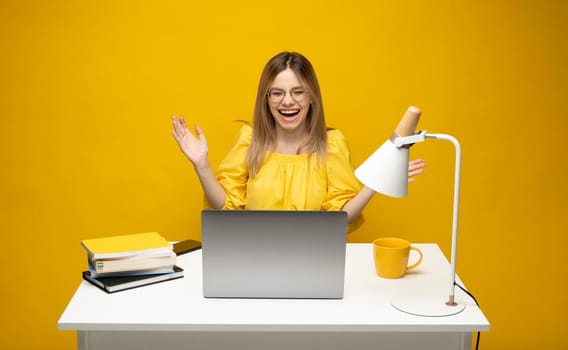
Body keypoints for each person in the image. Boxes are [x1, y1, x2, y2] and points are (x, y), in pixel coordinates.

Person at [172, 51, 424, 231]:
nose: (287, 102)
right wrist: (201, 164)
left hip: (313, 265)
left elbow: (341, 217)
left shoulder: (331, 144)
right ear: (266, 99)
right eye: (277, 93)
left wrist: (376, 180)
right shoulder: (249, 140)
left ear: (312, 97)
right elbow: (225, 207)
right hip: (252, 260)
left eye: (298, 92)